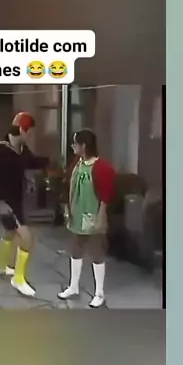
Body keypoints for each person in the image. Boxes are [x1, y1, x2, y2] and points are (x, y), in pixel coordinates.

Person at [0, 112, 49, 297]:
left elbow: (31, 161)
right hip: (6, 202)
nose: (30, 136)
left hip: (16, 200)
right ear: (21, 130)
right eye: (29, 132)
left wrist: (49, 161)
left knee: (10, 232)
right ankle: (18, 278)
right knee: (27, 239)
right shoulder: (0, 151)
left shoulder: (21, 148)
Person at [58, 128, 116, 308]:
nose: (73, 146)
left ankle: (99, 293)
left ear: (84, 145)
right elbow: (68, 186)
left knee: (96, 252)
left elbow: (106, 195)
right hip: (77, 213)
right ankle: (73, 286)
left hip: (93, 213)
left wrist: (101, 215)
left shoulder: (102, 168)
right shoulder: (77, 164)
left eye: (75, 143)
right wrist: (67, 209)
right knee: (76, 249)